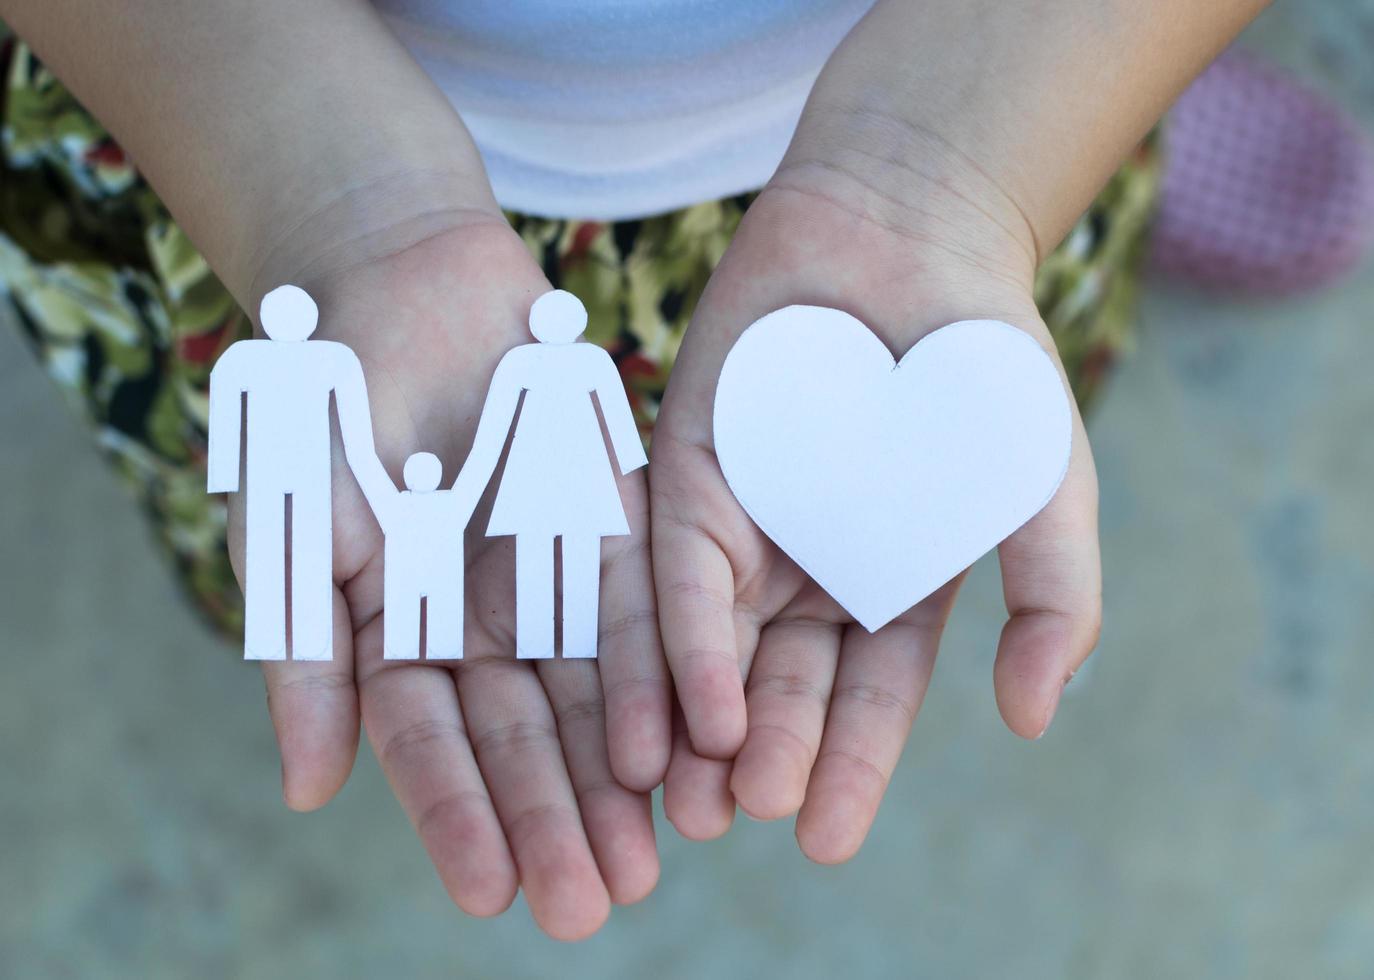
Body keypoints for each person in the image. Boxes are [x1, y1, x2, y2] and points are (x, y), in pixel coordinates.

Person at [0, 0, 1267, 941]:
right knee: (349, 557)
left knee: (985, 386)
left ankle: (1131, 81)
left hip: (968, 78)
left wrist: (979, 158)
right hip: (232, 110)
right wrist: (330, 207)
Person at [459, 289, 648, 660]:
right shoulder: (527, 361)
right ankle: (538, 640)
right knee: (543, 549)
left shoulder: (584, 360)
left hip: (573, 466)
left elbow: (616, 417)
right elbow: (496, 421)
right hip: (542, 467)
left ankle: (570, 639)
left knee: (566, 548)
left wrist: (632, 463)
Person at [207, 284, 378, 661]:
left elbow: (354, 424)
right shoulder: (245, 359)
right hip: (273, 466)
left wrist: (366, 470)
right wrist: (222, 475)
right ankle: (276, 635)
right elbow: (225, 414)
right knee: (277, 547)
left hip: (306, 466)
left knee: (306, 548)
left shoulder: (330, 358)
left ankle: (311, 635)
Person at [361, 450, 475, 661]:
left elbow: (365, 464)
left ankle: (416, 650)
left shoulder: (395, 505)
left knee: (408, 643)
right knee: (437, 642)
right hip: (429, 580)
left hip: (414, 580)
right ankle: (427, 649)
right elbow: (479, 465)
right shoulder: (452, 505)